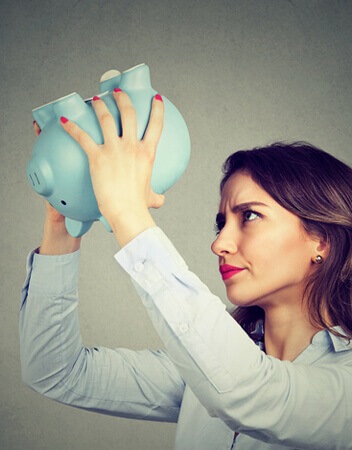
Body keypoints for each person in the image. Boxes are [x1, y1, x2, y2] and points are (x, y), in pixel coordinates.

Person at [20, 90, 352, 450]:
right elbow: (56, 371)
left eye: (250, 216)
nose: (220, 244)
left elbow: (248, 394)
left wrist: (128, 212)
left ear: (320, 240)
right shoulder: (202, 366)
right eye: (221, 223)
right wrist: (64, 212)